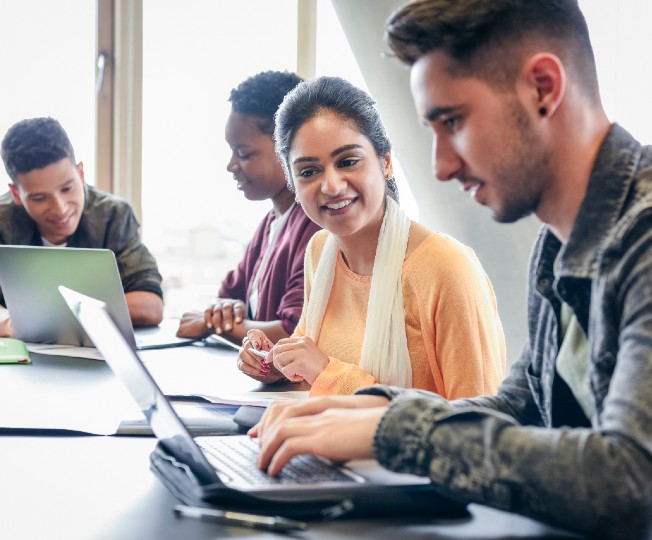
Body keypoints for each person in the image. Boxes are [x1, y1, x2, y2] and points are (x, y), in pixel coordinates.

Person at [249, 2, 652, 539]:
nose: (440, 165)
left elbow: (630, 482)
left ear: (543, 87)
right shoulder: (556, 247)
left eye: (454, 122)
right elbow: (522, 405)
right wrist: (362, 413)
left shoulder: (642, 239)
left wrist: (396, 431)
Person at [239, 76, 506, 398]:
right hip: (326, 442)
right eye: (309, 172)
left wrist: (328, 373)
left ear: (387, 163)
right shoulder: (321, 251)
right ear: (293, 184)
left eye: (348, 162)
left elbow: (477, 426)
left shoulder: (446, 268)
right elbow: (309, 373)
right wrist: (271, 364)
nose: (332, 186)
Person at [0, 117, 164, 337]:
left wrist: (50, 317)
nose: (60, 208)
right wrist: (15, 325)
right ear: (16, 193)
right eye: (39, 198)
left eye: (67, 188)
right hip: (22, 360)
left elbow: (150, 305)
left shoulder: (113, 216)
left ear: (80, 174)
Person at [176, 71, 320, 345]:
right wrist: (220, 315)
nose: (231, 165)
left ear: (288, 147)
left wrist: (212, 323)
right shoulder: (270, 223)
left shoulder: (315, 226)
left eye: (243, 153)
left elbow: (293, 332)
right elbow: (227, 297)